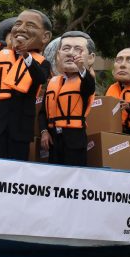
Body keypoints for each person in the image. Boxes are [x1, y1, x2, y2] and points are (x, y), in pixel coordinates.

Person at [0, 10, 52, 160]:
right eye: (18, 24)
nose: (21, 29)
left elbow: (40, 78)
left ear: (45, 37)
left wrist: (26, 55)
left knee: (15, 168)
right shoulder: (2, 57)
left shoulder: (42, 62)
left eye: (30, 25)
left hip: (20, 129)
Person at [41, 31, 96, 167]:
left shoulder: (85, 81)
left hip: (74, 140)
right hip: (53, 140)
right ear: (58, 55)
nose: (71, 53)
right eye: (66, 49)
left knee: (73, 177)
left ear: (90, 58)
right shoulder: (53, 82)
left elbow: (89, 86)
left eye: (78, 49)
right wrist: (44, 131)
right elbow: (43, 112)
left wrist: (82, 68)